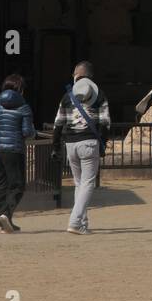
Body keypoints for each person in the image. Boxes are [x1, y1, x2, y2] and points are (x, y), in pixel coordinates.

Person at [51, 61, 110, 235]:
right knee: (88, 183)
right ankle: (75, 222)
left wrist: (55, 147)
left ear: (76, 75)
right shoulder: (100, 95)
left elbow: (58, 124)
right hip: (89, 142)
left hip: (70, 143)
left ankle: (82, 223)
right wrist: (103, 144)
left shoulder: (66, 97)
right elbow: (105, 123)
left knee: (79, 184)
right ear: (91, 77)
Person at [0, 73, 35, 233]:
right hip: (14, 151)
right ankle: (6, 214)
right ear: (20, 89)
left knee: (1, 187)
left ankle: (4, 223)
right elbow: (27, 132)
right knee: (17, 186)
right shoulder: (24, 107)